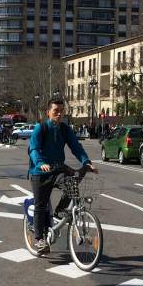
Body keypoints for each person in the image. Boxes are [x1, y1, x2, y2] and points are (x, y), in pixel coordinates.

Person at [28, 97, 96, 255]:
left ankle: (59, 211)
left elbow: (76, 147)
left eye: (61, 111)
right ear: (48, 113)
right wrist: (40, 163)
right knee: (41, 206)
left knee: (73, 185)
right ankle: (39, 239)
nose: (59, 114)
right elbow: (34, 149)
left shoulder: (65, 129)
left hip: (58, 169)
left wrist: (86, 162)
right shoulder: (41, 128)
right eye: (55, 111)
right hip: (40, 172)